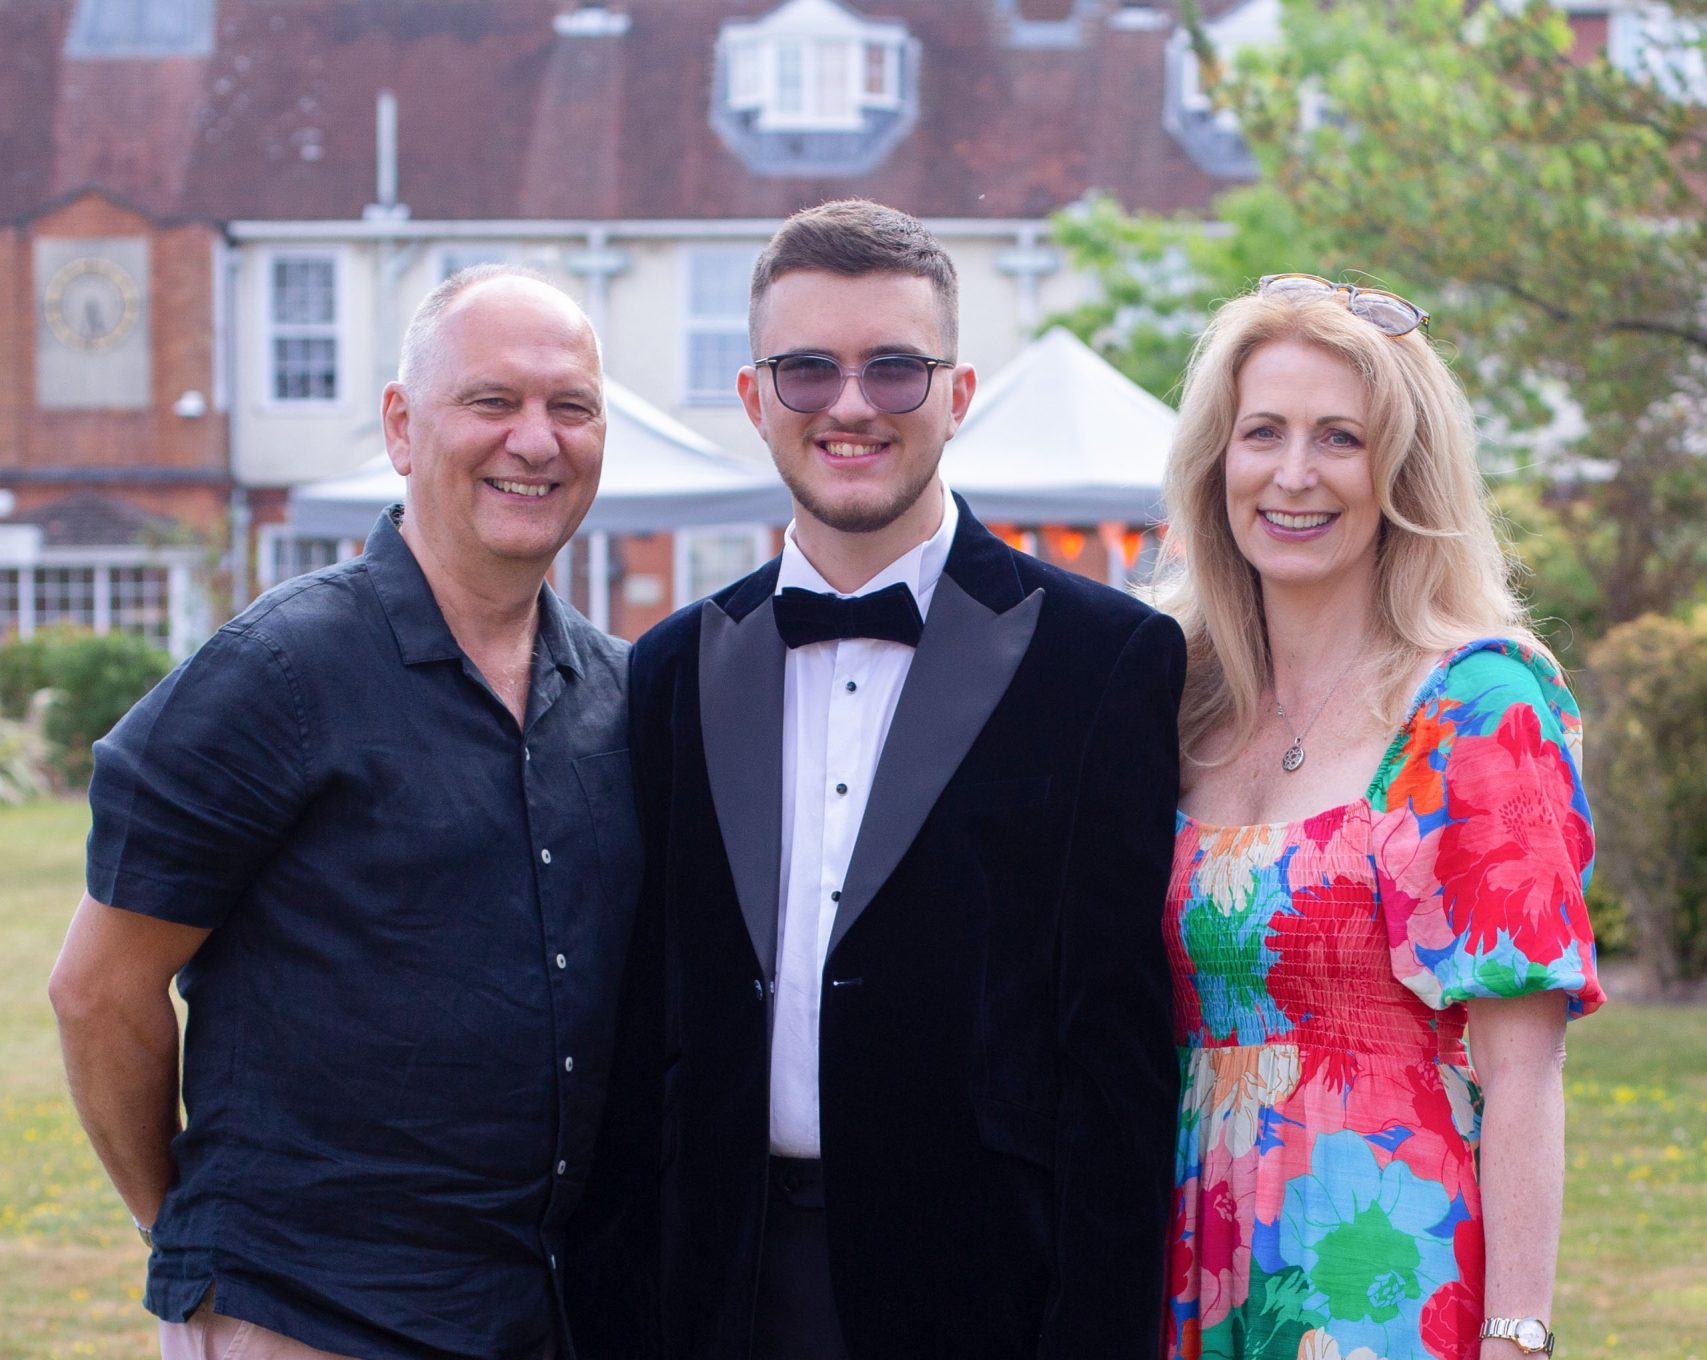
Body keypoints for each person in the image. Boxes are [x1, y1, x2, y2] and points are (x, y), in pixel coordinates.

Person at [48, 266, 648, 1360]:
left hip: (545, 1315)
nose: (536, 440)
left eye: (572, 406)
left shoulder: (618, 692)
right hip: (312, 1317)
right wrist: (187, 1236)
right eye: (492, 400)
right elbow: (97, 990)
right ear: (402, 427)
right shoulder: (277, 675)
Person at [626, 198, 1185, 1360]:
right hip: (720, 1290)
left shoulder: (1104, 658)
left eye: (894, 368)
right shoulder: (672, 668)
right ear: (754, 398)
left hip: (986, 1293)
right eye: (807, 370)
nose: (850, 405)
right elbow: (644, 1031)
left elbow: (1118, 1065)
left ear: (957, 393)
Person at [1158, 274, 1603, 1360]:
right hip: (1181, 1268)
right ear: (1218, 461)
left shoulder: (1476, 707)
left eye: (1340, 438)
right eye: (1263, 432)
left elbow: (1523, 1071)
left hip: (1384, 1284)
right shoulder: (1174, 698)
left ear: (1401, 470)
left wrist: (1516, 1336)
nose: (1293, 474)